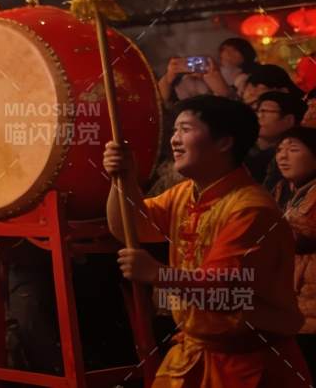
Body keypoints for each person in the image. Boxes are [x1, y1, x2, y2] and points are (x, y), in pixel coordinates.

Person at [104, 94, 311, 386]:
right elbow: (130, 226)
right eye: (174, 130)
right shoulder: (184, 193)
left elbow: (224, 291)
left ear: (224, 142)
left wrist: (157, 274)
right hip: (193, 354)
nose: (174, 139)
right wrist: (122, 178)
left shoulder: (250, 208)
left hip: (246, 364)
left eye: (186, 129)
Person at [271, 126, 316, 372]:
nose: (283, 156)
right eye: (279, 150)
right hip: (290, 307)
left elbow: (304, 235)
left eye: (293, 149)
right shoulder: (281, 192)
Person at [249, 91, 305, 187]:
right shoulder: (245, 149)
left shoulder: (291, 159)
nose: (259, 116)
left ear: (289, 120)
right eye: (257, 111)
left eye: (265, 111)